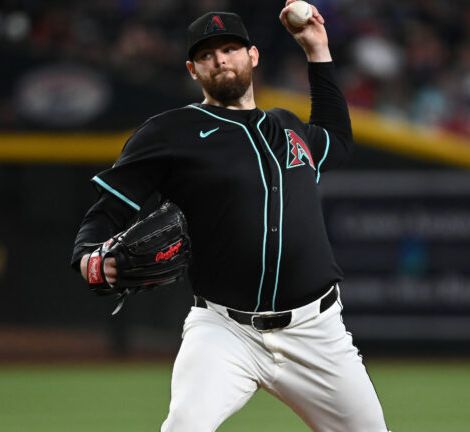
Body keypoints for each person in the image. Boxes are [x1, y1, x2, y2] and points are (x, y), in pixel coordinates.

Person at [71, 2, 390, 431]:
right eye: (206, 54)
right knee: (184, 425)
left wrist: (317, 52)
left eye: (230, 49)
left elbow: (338, 142)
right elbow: (108, 207)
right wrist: (88, 255)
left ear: (252, 56)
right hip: (224, 330)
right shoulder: (171, 131)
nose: (220, 59)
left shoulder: (288, 127)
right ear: (192, 69)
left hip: (317, 332)